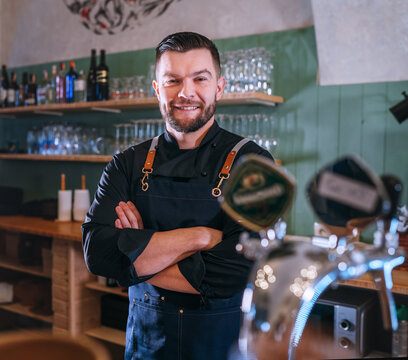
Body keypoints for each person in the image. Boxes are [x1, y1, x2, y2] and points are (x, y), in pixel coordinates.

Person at [82, 31, 272, 360]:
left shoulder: (252, 165)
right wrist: (199, 237)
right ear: (157, 89)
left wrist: (134, 256)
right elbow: (98, 254)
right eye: (172, 80)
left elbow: (238, 269)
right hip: (147, 345)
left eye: (200, 78)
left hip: (223, 347)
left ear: (219, 87)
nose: (186, 93)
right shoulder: (126, 163)